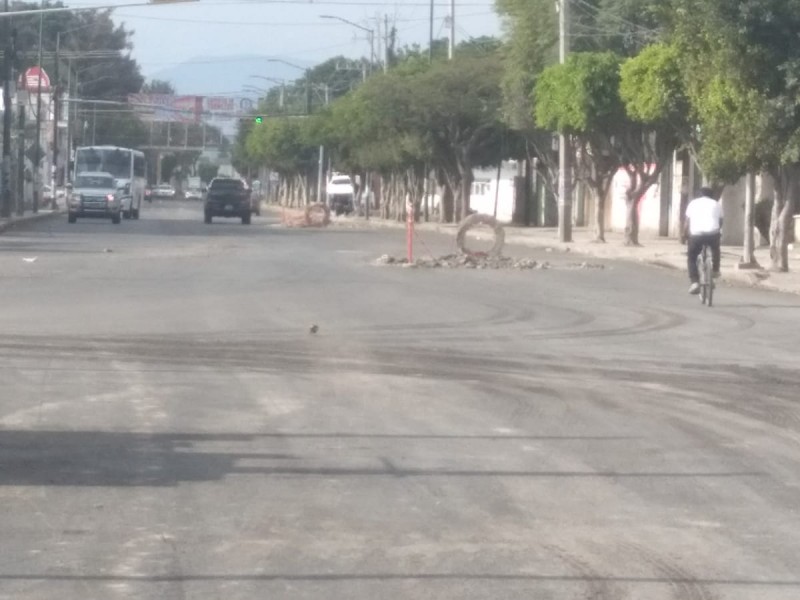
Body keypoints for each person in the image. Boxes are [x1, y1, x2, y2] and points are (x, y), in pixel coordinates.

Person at [685, 187, 723, 295]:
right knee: (716, 249)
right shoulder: (717, 204)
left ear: (699, 194)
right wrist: (717, 231)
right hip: (712, 233)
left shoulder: (693, 203)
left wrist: (684, 235)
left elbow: (687, 222)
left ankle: (694, 282)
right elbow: (721, 221)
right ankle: (715, 270)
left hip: (696, 234)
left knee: (691, 256)